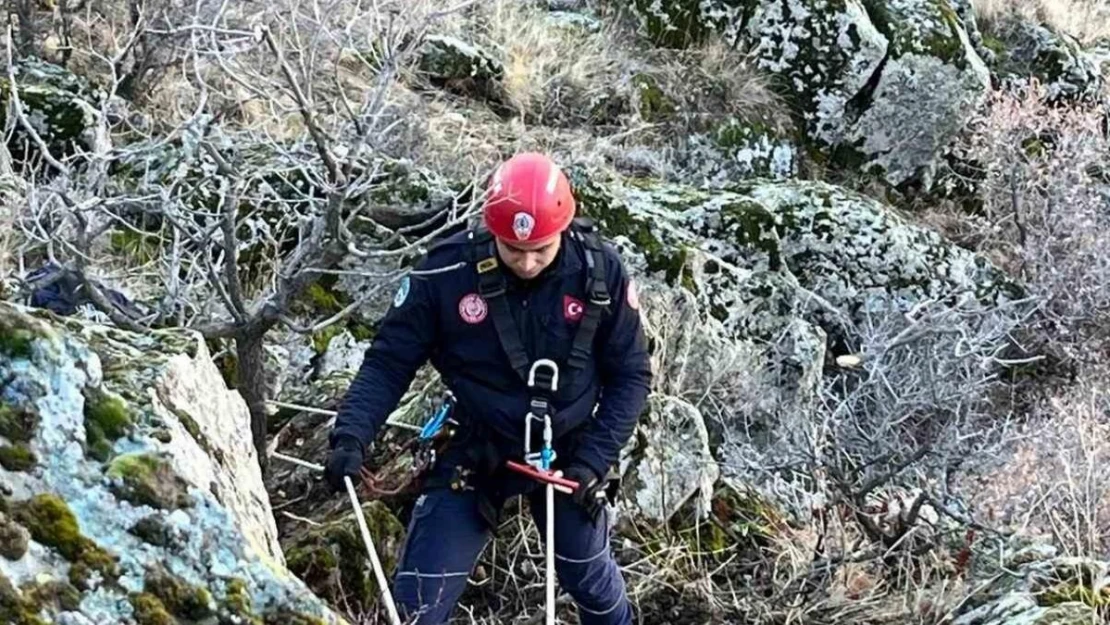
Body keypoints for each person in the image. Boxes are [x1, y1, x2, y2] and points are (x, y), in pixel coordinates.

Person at [323, 152, 652, 624]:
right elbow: (389, 361)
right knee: (420, 602)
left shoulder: (599, 272)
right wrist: (351, 434)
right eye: (513, 248)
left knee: (590, 578)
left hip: (570, 452)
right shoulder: (446, 273)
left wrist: (594, 461)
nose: (527, 261)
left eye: (541, 247)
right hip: (477, 445)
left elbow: (631, 375)